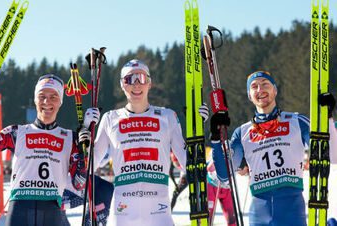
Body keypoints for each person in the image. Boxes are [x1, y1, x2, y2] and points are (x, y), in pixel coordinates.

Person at [82, 59, 207, 226]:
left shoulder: (167, 117)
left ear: (149, 83)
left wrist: (197, 129)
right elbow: (90, 164)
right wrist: (85, 130)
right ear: (122, 84)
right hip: (122, 213)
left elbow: (187, 164)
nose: (136, 85)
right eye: (129, 79)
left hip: (159, 213)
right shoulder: (110, 119)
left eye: (140, 78)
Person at [211, 71, 336, 226]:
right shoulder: (242, 133)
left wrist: (328, 117)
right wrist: (216, 138)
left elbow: (333, 155)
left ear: (275, 90)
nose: (260, 90)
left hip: (292, 211)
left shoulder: (297, 122)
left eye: (265, 84)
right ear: (249, 96)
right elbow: (224, 176)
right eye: (254, 86)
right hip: (259, 214)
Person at [0, 74, 94, 226]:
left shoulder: (71, 138)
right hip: (19, 208)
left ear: (60, 101)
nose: (47, 102)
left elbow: (79, 183)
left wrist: (84, 150)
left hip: (51, 211)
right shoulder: (15, 132)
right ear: (35, 99)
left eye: (53, 97)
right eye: (42, 96)